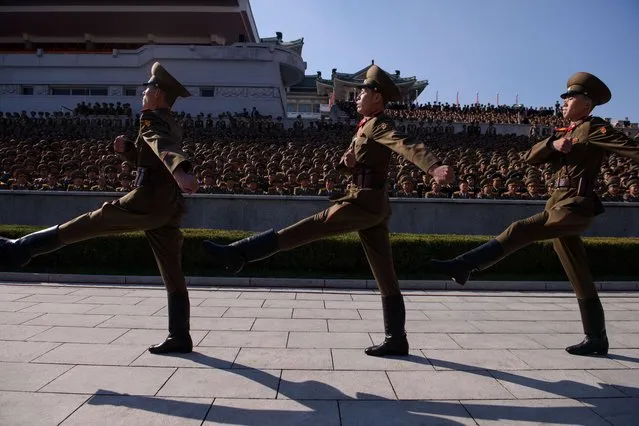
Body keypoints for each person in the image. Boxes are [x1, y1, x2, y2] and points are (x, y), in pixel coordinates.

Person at [203, 65, 454, 357]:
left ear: (377, 96)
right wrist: (348, 163)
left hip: (365, 201)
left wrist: (434, 167)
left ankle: (240, 253)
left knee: (314, 225)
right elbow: (359, 161)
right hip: (369, 202)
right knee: (385, 273)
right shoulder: (364, 126)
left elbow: (406, 145)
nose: (358, 96)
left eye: (363, 91)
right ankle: (396, 338)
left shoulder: (380, 125)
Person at [430, 72, 639, 356]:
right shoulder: (564, 133)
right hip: (556, 204)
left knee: (519, 229)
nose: (564, 101)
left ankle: (464, 264)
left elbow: (631, 149)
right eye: (564, 97)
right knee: (578, 273)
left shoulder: (594, 128)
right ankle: (596, 338)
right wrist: (552, 145)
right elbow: (530, 157)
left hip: (574, 206)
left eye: (571, 97)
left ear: (588, 103)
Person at [0, 62, 199, 355]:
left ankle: (21, 248)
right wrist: (129, 152)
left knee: (94, 221)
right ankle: (179, 335)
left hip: (149, 199)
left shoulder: (151, 119)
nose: (143, 92)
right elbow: (153, 157)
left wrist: (181, 170)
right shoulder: (171, 119)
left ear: (157, 93)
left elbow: (163, 146)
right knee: (171, 268)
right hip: (167, 205)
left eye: (148, 87)